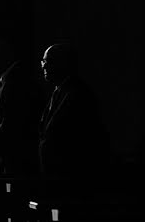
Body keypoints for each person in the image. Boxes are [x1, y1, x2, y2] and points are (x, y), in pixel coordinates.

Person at [39, 43, 109, 179]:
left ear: (64, 63)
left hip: (70, 175)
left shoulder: (77, 94)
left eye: (49, 61)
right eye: (43, 61)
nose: (44, 66)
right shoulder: (60, 92)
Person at [0, 39, 44, 177]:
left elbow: (13, 118)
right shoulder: (11, 78)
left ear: (0, 57)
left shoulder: (15, 80)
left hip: (19, 154)